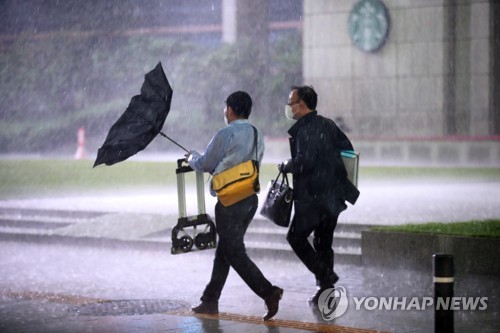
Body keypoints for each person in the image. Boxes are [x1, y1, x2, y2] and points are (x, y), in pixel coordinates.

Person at [186, 91, 283, 321]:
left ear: (230, 109)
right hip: (249, 198)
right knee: (226, 249)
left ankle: (268, 292)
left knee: (234, 251)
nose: (224, 112)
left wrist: (191, 157)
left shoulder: (226, 133)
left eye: (225, 107)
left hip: (230, 200)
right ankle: (210, 299)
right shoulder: (257, 133)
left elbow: (206, 163)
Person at [279, 85, 359, 305]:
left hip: (314, 197)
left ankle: (326, 277)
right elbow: (348, 150)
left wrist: (287, 165)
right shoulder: (328, 124)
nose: (289, 106)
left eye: (291, 102)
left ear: (302, 104)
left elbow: (306, 161)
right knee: (323, 243)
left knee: (295, 237)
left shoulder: (306, 129)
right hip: (333, 196)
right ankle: (326, 292)